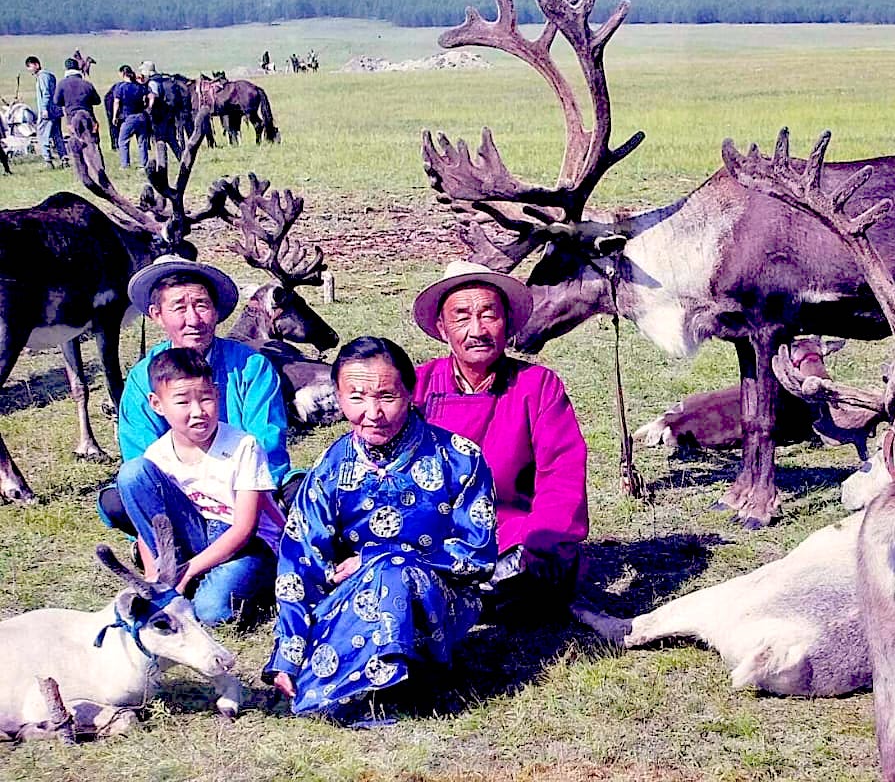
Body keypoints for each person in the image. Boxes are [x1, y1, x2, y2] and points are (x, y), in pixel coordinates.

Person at [264, 337, 497, 722]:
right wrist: (288, 651)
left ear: (410, 392)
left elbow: (477, 557)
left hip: (440, 602)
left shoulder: (459, 457)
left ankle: (398, 687)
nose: (372, 412)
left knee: (394, 573)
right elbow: (299, 558)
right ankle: (371, 687)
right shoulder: (330, 467)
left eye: (387, 396)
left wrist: (380, 559)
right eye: (355, 398)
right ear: (338, 398)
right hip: (355, 600)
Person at [411, 260, 588, 617]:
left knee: (541, 573)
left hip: (512, 537)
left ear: (506, 323)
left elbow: (562, 475)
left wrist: (541, 542)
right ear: (443, 328)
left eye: (488, 314)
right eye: (462, 317)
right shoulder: (418, 386)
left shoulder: (538, 386)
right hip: (433, 537)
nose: (477, 330)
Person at [98, 255, 297, 536]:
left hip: (244, 491)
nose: (193, 319)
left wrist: (225, 494)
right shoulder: (143, 378)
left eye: (201, 305)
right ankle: (175, 544)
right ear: (157, 314)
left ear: (215, 311)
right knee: (117, 499)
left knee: (299, 489)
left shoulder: (252, 367)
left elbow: (268, 446)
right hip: (177, 497)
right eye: (179, 307)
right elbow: (140, 458)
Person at [115, 347, 281, 624]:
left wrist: (190, 570)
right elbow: (149, 528)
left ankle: (248, 587)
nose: (198, 412)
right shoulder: (157, 455)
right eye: (182, 402)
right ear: (157, 404)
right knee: (132, 474)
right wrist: (152, 577)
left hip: (244, 544)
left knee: (212, 613)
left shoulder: (243, 446)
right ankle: (175, 579)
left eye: (205, 399)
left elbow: (244, 528)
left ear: (217, 393)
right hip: (192, 535)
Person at [24, 55, 66, 167]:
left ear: (36, 64)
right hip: (56, 110)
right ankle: (64, 158)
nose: (29, 69)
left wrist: (44, 109)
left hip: (48, 111)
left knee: (43, 135)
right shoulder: (50, 75)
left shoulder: (42, 77)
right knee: (57, 135)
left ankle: (48, 160)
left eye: (30, 66)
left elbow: (46, 93)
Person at [52, 56, 101, 144]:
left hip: (72, 117)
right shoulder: (87, 84)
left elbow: (56, 101)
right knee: (93, 142)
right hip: (88, 116)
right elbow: (97, 101)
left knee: (77, 142)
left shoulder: (62, 84)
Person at [141, 60, 183, 160]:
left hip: (159, 115)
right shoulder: (163, 80)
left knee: (159, 139)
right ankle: (182, 158)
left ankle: (161, 162)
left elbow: (154, 97)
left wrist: (149, 109)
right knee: (172, 139)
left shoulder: (152, 82)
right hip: (169, 113)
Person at [111, 65, 151, 169]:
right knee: (142, 142)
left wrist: (114, 116)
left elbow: (116, 102)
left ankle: (125, 165)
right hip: (141, 116)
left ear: (123, 74)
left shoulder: (120, 87)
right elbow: (147, 97)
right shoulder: (139, 86)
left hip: (129, 117)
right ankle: (144, 164)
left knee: (123, 141)